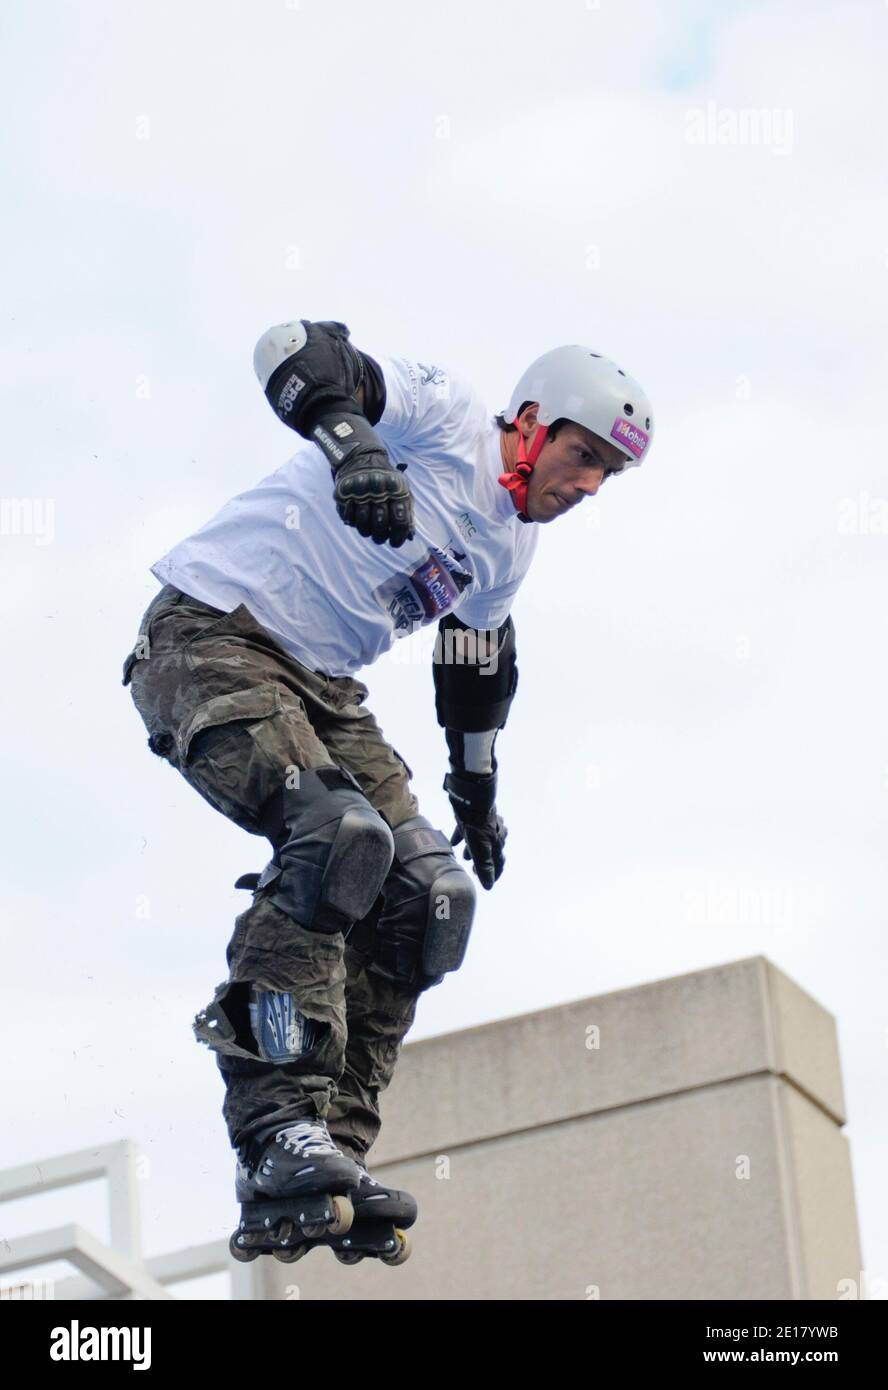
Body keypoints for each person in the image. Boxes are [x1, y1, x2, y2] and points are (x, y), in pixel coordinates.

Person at [121, 318, 654, 1259]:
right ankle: (274, 1123)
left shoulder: (509, 554)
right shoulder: (444, 415)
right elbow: (293, 350)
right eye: (581, 457)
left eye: (607, 477)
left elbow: (474, 672)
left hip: (325, 691)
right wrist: (355, 443)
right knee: (335, 839)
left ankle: (333, 1144)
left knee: (428, 897)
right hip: (210, 637)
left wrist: (478, 799)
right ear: (531, 422)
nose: (585, 488)